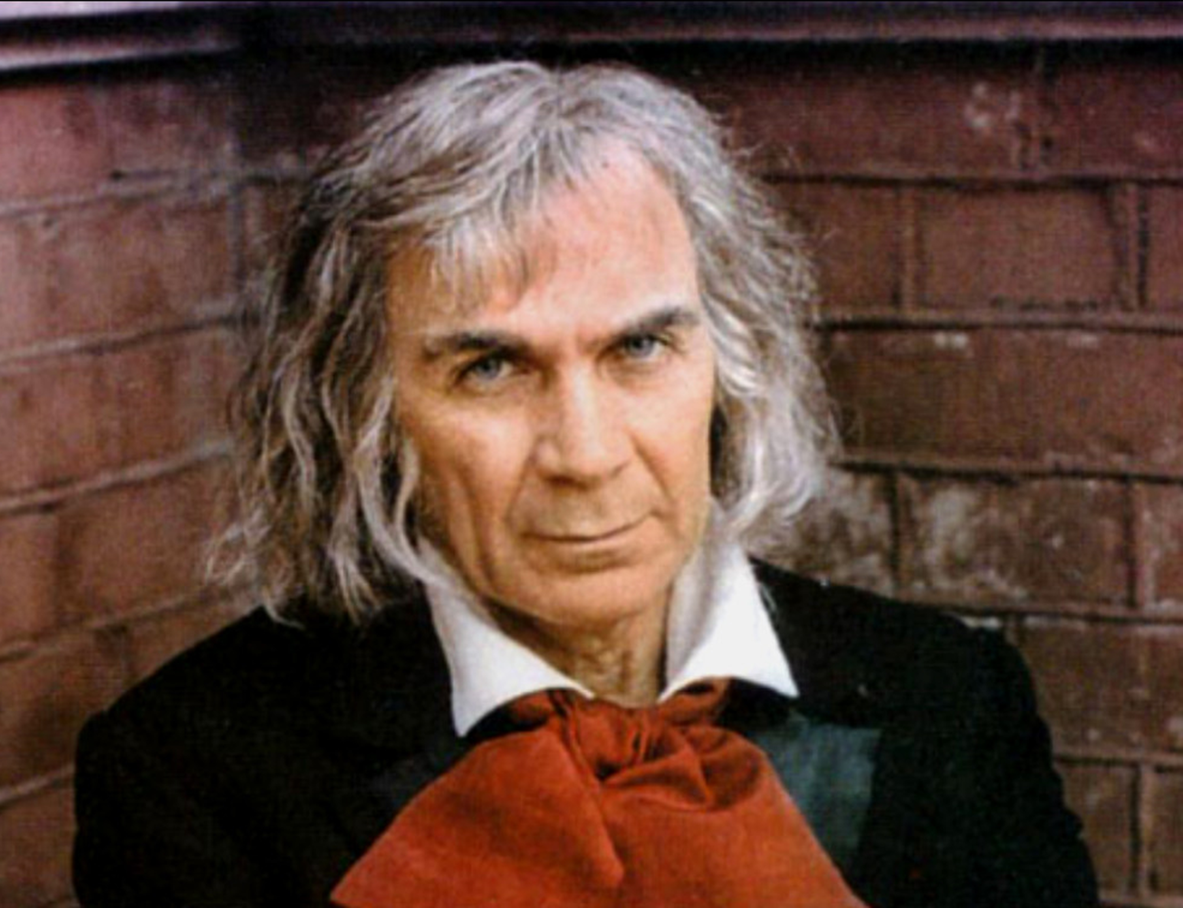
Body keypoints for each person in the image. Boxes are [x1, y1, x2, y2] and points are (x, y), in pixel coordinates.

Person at [72, 61, 1097, 908]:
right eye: (491, 367)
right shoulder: (191, 769)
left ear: (729, 366)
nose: (585, 452)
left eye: (639, 348)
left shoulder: (951, 703)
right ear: (366, 414)